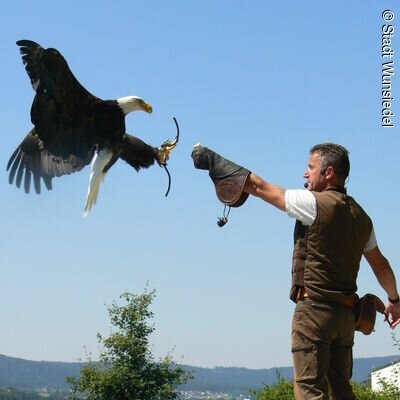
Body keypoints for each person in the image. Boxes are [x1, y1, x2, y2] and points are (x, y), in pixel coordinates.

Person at [192, 143, 400, 400]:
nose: (305, 174)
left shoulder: (313, 203)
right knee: (341, 391)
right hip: (346, 318)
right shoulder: (362, 218)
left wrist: (214, 161)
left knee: (309, 391)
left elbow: (259, 187)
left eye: (311, 168)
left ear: (328, 173)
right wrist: (394, 300)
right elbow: (381, 265)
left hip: (314, 314)